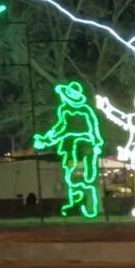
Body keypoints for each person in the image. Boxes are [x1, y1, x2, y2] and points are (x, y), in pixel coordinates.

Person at [33, 81, 104, 219]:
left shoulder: (85, 110)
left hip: (84, 146)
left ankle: (88, 204)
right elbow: (59, 128)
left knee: (87, 176)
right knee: (71, 175)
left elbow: (92, 128)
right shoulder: (65, 110)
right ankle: (76, 200)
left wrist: (96, 142)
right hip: (71, 147)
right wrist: (45, 139)